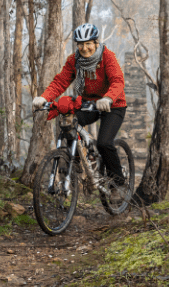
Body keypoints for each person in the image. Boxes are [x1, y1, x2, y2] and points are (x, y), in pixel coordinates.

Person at [33, 23, 127, 185]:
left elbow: (117, 81)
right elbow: (60, 81)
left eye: (88, 43)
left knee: (104, 143)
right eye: (81, 44)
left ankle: (117, 184)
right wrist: (44, 98)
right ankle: (76, 162)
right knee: (68, 122)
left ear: (96, 43)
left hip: (113, 105)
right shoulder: (74, 60)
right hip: (88, 103)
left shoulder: (107, 57)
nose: (84, 48)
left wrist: (108, 98)